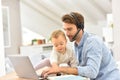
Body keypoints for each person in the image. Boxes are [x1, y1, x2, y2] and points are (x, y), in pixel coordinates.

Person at [41, 12, 120, 80]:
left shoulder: (93, 42)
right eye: (65, 29)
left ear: (80, 27)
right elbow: (80, 69)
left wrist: (60, 69)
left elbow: (92, 72)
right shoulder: (76, 45)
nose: (67, 34)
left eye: (70, 29)